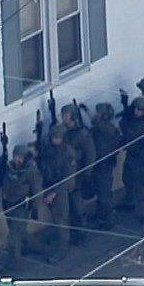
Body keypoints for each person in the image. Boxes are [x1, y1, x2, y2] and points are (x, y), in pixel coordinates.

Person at [36, 124, 77, 264]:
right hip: (49, 185)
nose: (54, 140)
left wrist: (53, 193)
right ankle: (58, 240)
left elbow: (68, 178)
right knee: (56, 217)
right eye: (53, 137)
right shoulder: (50, 149)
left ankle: (62, 250)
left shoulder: (68, 153)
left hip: (60, 190)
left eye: (57, 137)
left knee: (61, 220)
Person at [0, 143, 42, 268]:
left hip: (22, 205)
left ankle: (15, 262)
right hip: (9, 203)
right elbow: (2, 182)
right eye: (15, 156)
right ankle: (37, 247)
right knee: (19, 231)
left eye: (20, 157)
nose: (17, 160)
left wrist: (35, 208)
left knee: (14, 235)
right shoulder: (9, 168)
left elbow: (37, 190)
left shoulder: (30, 171)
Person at [60, 103, 96, 246]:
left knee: (77, 207)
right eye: (62, 116)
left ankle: (81, 232)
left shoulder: (82, 134)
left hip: (78, 176)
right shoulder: (63, 132)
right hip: (66, 175)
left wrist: (87, 173)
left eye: (66, 116)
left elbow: (90, 154)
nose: (63, 118)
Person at [117, 97, 144, 224]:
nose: (136, 112)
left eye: (139, 110)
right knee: (127, 179)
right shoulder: (135, 120)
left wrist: (143, 163)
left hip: (141, 160)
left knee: (143, 189)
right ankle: (130, 202)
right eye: (135, 109)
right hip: (131, 155)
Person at [89, 103, 120, 229]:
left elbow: (101, 128)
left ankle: (109, 220)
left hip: (104, 166)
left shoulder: (108, 129)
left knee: (104, 194)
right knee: (99, 192)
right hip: (98, 165)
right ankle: (100, 214)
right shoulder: (99, 129)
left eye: (97, 112)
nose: (95, 114)